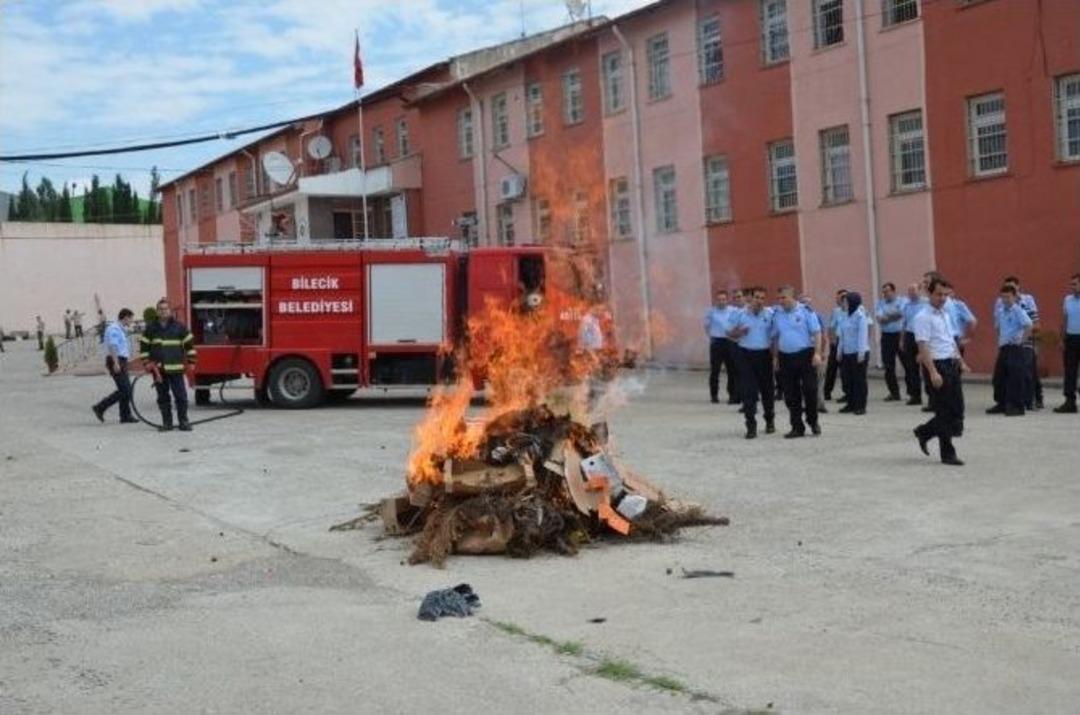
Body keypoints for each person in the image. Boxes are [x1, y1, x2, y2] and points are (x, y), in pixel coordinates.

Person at [913, 276, 968, 466]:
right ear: (929, 293)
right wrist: (933, 372)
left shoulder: (945, 313)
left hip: (951, 364)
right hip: (936, 366)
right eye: (938, 294)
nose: (942, 298)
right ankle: (948, 453)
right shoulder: (922, 317)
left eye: (945, 294)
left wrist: (960, 361)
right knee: (944, 412)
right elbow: (923, 346)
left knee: (957, 409)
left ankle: (924, 431)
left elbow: (950, 340)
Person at [139, 298, 198, 432]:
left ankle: (183, 421)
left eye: (165, 309)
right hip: (159, 370)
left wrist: (192, 361)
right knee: (163, 398)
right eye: (160, 309)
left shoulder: (179, 327)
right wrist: (146, 363)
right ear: (157, 311)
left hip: (176, 369)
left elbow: (189, 345)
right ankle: (167, 423)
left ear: (170, 311)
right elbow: (144, 347)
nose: (163, 311)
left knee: (181, 397)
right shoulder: (151, 329)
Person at [771, 286, 823, 438]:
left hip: (805, 355)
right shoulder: (777, 314)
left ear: (792, 297)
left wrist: (818, 353)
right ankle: (797, 427)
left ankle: (813, 421)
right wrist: (775, 357)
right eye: (779, 298)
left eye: (783, 298)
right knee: (790, 394)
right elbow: (774, 337)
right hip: (785, 357)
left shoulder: (806, 311)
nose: (781, 301)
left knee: (810, 390)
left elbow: (817, 332)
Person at [728, 287, 775, 439]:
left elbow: (775, 336)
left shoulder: (770, 314)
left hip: (764, 355)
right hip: (746, 355)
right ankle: (751, 426)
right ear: (750, 298)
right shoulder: (740, 314)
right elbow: (728, 333)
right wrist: (739, 332)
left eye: (762, 298)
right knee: (749, 392)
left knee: (767, 391)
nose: (759, 300)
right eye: (756, 297)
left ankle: (769, 420)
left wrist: (776, 358)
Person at [987, 284, 1033, 417]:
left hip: (1015, 347)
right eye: (1003, 297)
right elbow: (998, 328)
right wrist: (1000, 340)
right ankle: (1001, 403)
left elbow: (1029, 325)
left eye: (1008, 297)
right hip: (1004, 347)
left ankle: (1016, 406)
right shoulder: (1001, 311)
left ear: (1014, 297)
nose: (1005, 300)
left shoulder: (1018, 311)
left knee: (1015, 378)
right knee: (999, 377)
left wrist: (1021, 341)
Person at [92, 309, 139, 425]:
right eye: (131, 318)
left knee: (126, 389)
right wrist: (116, 362)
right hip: (116, 360)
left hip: (121, 360)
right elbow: (113, 346)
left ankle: (125, 416)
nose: (132, 321)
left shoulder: (121, 329)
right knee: (125, 390)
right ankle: (100, 407)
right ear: (125, 317)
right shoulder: (114, 328)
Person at [704, 289, 739, 404]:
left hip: (729, 342)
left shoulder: (733, 311)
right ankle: (714, 395)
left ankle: (732, 395)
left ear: (727, 300)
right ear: (716, 300)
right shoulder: (711, 312)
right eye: (719, 299)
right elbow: (706, 327)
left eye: (723, 299)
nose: (721, 301)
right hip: (716, 343)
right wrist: (712, 337)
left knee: (731, 370)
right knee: (715, 370)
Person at [838, 292, 870, 415]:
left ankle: (861, 406)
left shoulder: (860, 316)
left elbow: (863, 335)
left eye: (845, 302)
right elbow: (842, 335)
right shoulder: (844, 316)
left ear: (852, 302)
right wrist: (839, 351)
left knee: (859, 381)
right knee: (847, 380)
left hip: (859, 353)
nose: (843, 304)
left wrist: (861, 353)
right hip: (847, 353)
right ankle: (851, 404)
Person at [1054, 273, 1080, 414]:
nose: (1072, 287)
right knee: (1070, 371)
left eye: (1075, 284)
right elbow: (1064, 320)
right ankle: (1070, 402)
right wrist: (1061, 338)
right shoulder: (1068, 300)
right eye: (1071, 284)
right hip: (1071, 339)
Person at [799, 294, 829, 415]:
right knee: (805, 380)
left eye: (808, 303)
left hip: (816, 350)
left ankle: (820, 403)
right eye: (803, 303)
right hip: (803, 352)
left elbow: (823, 336)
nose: (806, 306)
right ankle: (805, 404)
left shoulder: (816, 316)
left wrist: (823, 353)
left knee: (820, 379)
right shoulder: (796, 317)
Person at [875, 282, 905, 401]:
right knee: (888, 366)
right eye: (884, 292)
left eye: (887, 291)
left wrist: (888, 316)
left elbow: (901, 314)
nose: (885, 294)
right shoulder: (880, 303)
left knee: (907, 364)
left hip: (900, 335)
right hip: (886, 336)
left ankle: (913, 393)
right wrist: (893, 316)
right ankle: (894, 393)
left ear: (893, 291)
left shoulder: (902, 301)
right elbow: (880, 318)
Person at [899, 282, 926, 405]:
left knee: (926, 367)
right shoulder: (907, 306)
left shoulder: (925, 304)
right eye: (909, 291)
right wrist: (902, 340)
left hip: (923, 336)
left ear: (919, 291)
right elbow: (904, 324)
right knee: (911, 368)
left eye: (913, 290)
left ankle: (932, 397)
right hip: (910, 336)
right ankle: (915, 396)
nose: (911, 293)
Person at [823, 289, 847, 402]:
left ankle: (847, 392)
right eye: (838, 298)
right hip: (836, 342)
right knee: (831, 369)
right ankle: (827, 392)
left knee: (845, 370)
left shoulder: (853, 310)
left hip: (847, 343)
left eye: (843, 297)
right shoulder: (836, 311)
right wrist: (832, 341)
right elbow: (831, 327)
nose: (840, 300)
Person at [945, 288, 977, 356]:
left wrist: (968, 338)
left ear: (953, 293)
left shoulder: (958, 305)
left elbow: (972, 321)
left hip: (956, 339)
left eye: (948, 294)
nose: (946, 297)